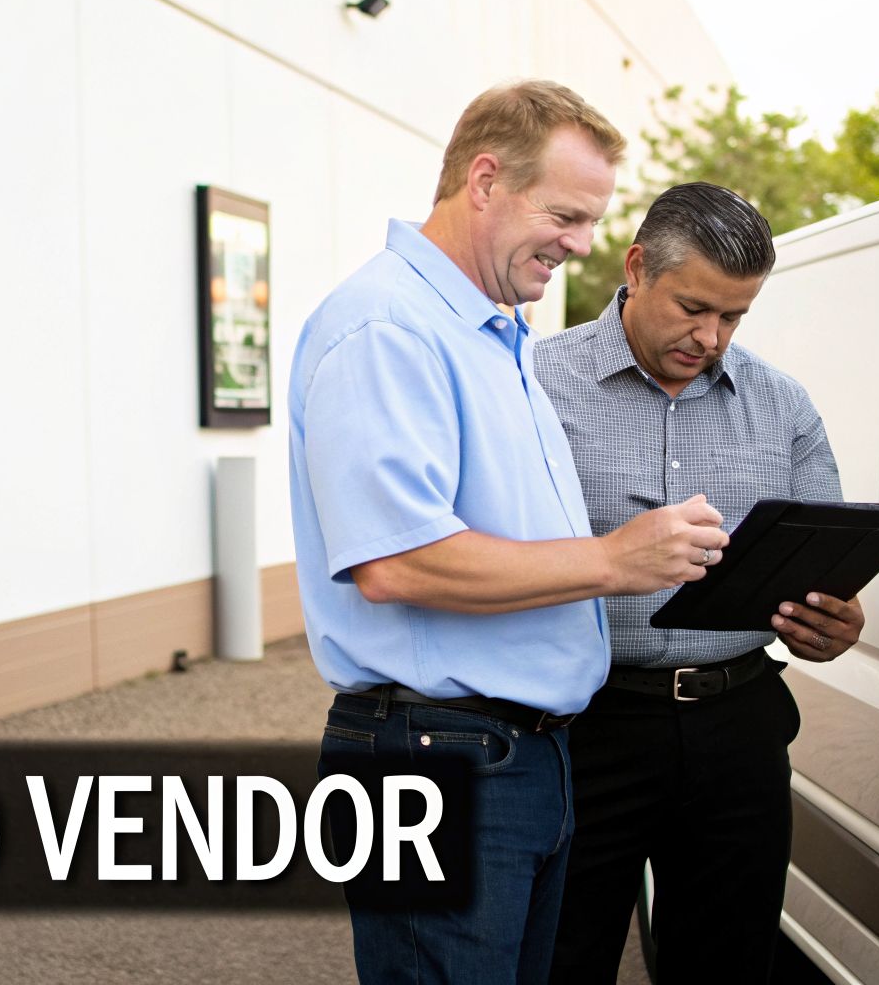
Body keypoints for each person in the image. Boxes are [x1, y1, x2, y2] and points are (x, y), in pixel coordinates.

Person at [287, 82, 733, 984]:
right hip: (438, 760)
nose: (581, 245)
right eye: (565, 215)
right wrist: (614, 561)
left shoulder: (495, 336)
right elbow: (398, 562)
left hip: (516, 758)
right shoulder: (387, 328)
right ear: (485, 180)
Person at [533, 183, 865, 984]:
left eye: (735, 317)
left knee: (728, 966)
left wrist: (837, 624)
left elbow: (830, 569)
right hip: (581, 727)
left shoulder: (784, 406)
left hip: (738, 728)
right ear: (637, 267)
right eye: (693, 308)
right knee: (560, 959)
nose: (711, 337)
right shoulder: (530, 382)